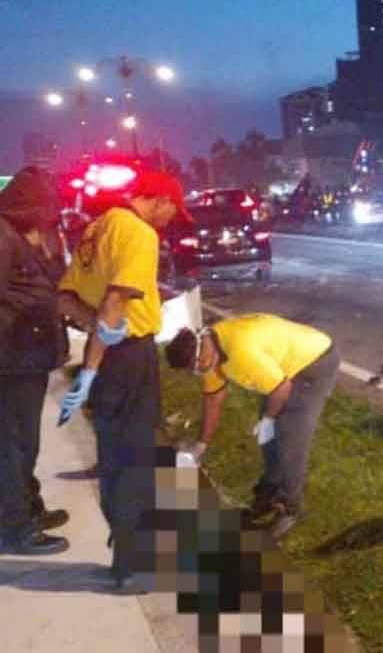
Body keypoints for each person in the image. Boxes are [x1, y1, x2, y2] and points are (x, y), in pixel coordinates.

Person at [57, 170, 192, 590]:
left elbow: (65, 297)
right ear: (160, 200)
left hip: (108, 353)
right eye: (173, 211)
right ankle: (133, 564)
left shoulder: (97, 227)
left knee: (113, 453)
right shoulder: (138, 233)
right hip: (129, 355)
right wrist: (94, 362)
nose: (170, 220)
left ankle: (124, 547)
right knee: (137, 456)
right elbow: (116, 300)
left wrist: (96, 342)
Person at [165, 313, 339, 539]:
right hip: (282, 367)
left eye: (196, 366)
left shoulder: (240, 355)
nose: (197, 372)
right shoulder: (209, 350)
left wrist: (269, 419)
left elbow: (282, 389)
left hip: (315, 363)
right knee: (268, 438)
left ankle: (291, 507)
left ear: (200, 352)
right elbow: (213, 400)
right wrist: (201, 446)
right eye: (192, 370)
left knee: (291, 437)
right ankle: (270, 490)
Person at [0, 167, 71, 555]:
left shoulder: (24, 239)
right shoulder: (2, 238)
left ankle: (27, 507)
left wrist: (48, 246)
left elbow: (53, 282)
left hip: (28, 358)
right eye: (46, 207)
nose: (51, 215)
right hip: (11, 360)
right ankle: (14, 527)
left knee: (24, 442)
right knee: (14, 445)